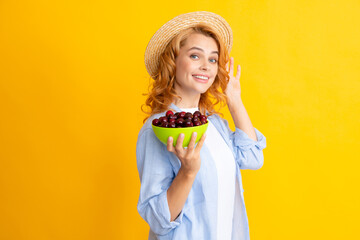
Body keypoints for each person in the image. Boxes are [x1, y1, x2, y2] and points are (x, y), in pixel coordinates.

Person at [136, 11, 267, 240]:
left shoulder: (214, 123)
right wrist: (188, 172)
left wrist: (235, 101)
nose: (206, 66)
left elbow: (253, 158)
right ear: (172, 61)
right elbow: (157, 220)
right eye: (195, 56)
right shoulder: (158, 130)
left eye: (213, 59)